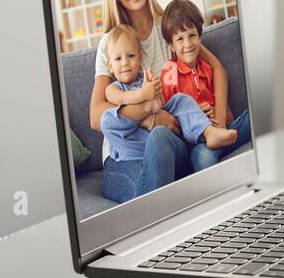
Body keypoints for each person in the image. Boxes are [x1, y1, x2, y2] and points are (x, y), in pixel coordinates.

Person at [88, 0, 233, 202]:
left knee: (160, 138)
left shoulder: (168, 26)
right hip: (123, 155)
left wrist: (217, 122)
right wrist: (149, 115)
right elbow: (96, 116)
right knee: (154, 150)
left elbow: (217, 70)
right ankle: (162, 211)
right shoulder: (111, 43)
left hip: (168, 143)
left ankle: (162, 205)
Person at [99, 24, 237, 194]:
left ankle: (209, 132)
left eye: (131, 56)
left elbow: (163, 103)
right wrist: (145, 98)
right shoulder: (113, 88)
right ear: (109, 65)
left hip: (159, 143)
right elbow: (123, 100)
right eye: (118, 59)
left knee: (180, 99)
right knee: (107, 119)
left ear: (140, 58)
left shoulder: (146, 78)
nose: (125, 63)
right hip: (132, 149)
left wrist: (155, 93)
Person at [159, 0, 252, 169]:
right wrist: (196, 116)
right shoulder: (170, 72)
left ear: (200, 37)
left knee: (258, 113)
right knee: (204, 158)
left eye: (192, 35)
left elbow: (228, 115)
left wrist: (217, 115)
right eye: (180, 39)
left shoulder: (207, 69)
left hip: (223, 130)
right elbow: (169, 117)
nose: (187, 44)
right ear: (171, 45)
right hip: (198, 143)